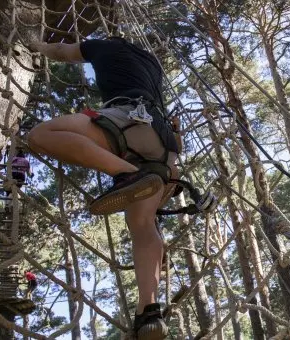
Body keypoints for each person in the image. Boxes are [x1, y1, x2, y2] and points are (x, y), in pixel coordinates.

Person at [26, 36, 180, 338]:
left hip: (126, 120)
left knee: (41, 134)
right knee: (143, 223)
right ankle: (148, 311)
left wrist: (39, 46)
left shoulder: (104, 45)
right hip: (166, 146)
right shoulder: (153, 64)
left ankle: (126, 173)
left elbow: (63, 51)